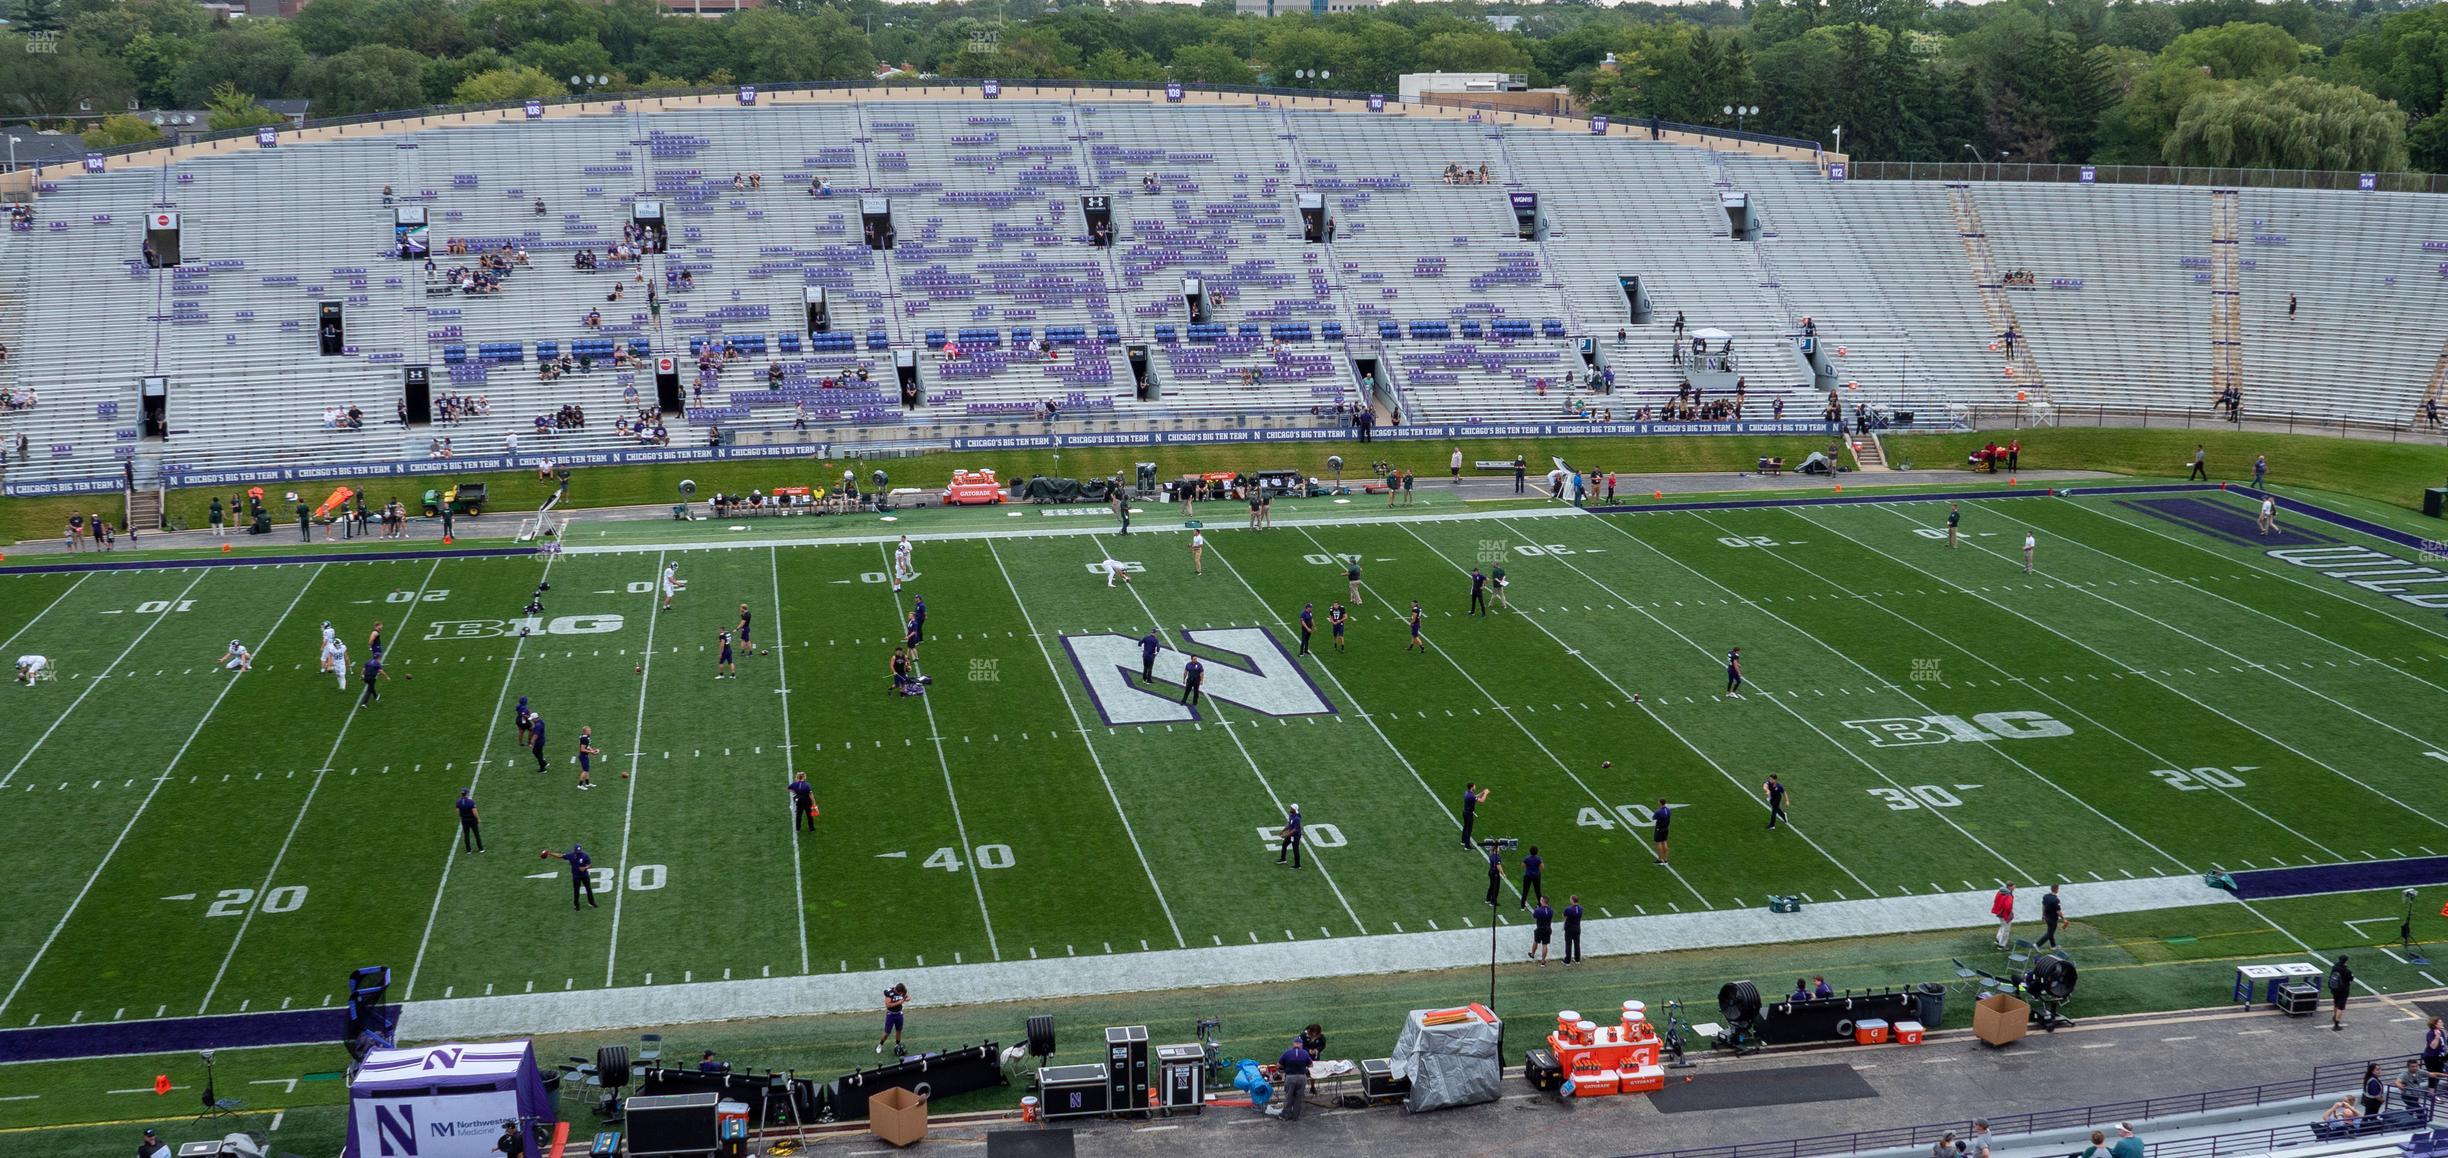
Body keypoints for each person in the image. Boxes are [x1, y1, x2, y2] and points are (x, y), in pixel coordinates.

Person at [546, 843, 597, 910]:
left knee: (589, 889)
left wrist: (585, 868)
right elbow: (560, 856)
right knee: (576, 891)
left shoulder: (585, 856)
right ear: (574, 851)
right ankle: (576, 905)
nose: (578, 853)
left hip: (585, 876)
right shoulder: (571, 855)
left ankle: (591, 903)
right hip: (576, 877)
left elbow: (590, 865)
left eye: (579, 852)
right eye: (577, 852)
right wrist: (550, 853)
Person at [1277, 1034, 1313, 1121]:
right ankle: (1295, 1117)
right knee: (1298, 1098)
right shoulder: (1304, 1052)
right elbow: (1311, 1065)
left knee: (1289, 1098)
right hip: (1302, 1078)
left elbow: (1278, 1065)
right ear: (1301, 1045)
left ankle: (1285, 1116)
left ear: (1294, 1044)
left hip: (1290, 1078)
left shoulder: (1287, 1052)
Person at [878, 984, 909, 1055]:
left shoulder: (903, 991)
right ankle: (880, 1044)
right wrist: (899, 1002)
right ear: (896, 991)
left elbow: (907, 997)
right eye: (900, 993)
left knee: (899, 1030)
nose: (901, 994)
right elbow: (888, 1005)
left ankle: (897, 1044)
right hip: (891, 1015)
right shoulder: (889, 993)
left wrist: (906, 999)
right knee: (887, 1033)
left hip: (899, 1014)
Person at [1459, 782, 1490, 849]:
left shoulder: (1467, 793)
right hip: (1468, 814)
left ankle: (1463, 841)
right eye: (1474, 786)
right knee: (1469, 829)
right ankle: (1467, 846)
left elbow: (1475, 796)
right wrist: (1486, 793)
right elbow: (1481, 801)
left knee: (1465, 827)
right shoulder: (1470, 796)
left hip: (1465, 812)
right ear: (1472, 787)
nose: (1475, 786)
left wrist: (1482, 792)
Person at [1528, 895, 1554, 965]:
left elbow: (1533, 917)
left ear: (1542, 901)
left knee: (1536, 941)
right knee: (1545, 945)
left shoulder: (1538, 910)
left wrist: (1535, 911)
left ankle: (1532, 954)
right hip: (1548, 928)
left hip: (1540, 929)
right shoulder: (1551, 910)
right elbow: (1550, 919)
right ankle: (1543, 961)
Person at [2331, 955, 2354, 1030]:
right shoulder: (2346, 971)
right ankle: (2336, 1025)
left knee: (2336, 1003)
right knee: (2340, 1007)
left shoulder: (2335, 967)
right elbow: (2350, 978)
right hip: (2343, 990)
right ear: (2346, 961)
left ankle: (2334, 1016)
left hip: (2335, 988)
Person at [457, 788, 484, 853]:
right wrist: (478, 818)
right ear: (467, 794)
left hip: (464, 820)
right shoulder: (471, 802)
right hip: (472, 820)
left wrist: (463, 816)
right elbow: (474, 812)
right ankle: (481, 849)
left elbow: (458, 812)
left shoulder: (458, 802)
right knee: (476, 834)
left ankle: (468, 850)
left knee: (466, 835)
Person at [2038, 883, 2065, 948]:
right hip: (2053, 919)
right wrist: (2064, 919)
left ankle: (2053, 946)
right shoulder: (2056, 900)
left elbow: (2043, 906)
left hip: (2047, 917)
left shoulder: (2046, 896)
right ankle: (2037, 944)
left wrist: (2043, 915)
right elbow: (2058, 912)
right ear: (2056, 889)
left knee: (2050, 932)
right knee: (2049, 934)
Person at [1990, 883, 2016, 949]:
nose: (2014, 887)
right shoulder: (2008, 895)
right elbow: (2008, 906)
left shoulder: (2000, 892)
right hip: (2005, 914)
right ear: (2010, 887)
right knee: (2006, 930)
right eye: (2013, 886)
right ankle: (2002, 945)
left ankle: (1998, 939)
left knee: (2002, 926)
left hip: (1999, 912)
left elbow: (1996, 900)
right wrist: (2010, 913)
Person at [1562, 895, 1584, 965]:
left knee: (1568, 944)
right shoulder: (1581, 908)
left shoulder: (1568, 909)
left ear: (1572, 900)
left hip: (1569, 928)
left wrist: (1564, 925)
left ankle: (1567, 960)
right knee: (1577, 944)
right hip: (1577, 928)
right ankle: (1577, 959)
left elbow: (1564, 916)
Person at [1651, 799, 1672, 865]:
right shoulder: (1668, 810)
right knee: (1665, 842)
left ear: (1660, 803)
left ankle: (1659, 859)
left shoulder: (1659, 811)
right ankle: (1665, 859)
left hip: (1659, 829)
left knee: (1658, 843)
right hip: (1666, 829)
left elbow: (1653, 818)